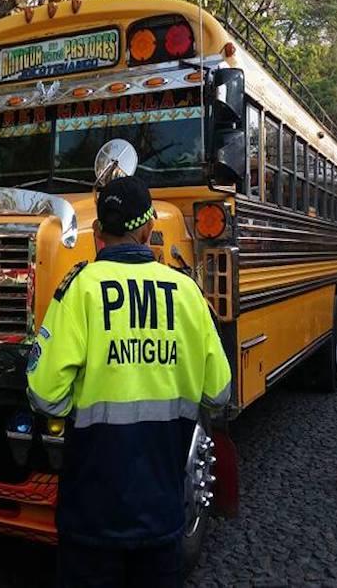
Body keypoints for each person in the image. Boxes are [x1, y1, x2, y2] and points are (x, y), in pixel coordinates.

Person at [26, 175, 231, 588]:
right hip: (161, 511)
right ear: (149, 229)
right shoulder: (188, 294)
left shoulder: (78, 291)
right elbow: (219, 393)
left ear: (98, 233)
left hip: (91, 515)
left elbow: (44, 394)